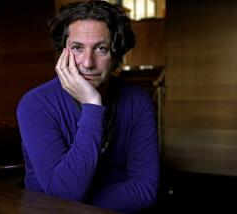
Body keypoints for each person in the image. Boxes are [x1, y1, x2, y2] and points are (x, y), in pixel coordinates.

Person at [16, 1, 160, 213]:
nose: (87, 63)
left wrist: (76, 205)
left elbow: (145, 189)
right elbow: (62, 196)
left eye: (101, 48)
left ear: (116, 54)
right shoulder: (35, 104)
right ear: (62, 52)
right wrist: (93, 106)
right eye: (77, 48)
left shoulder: (137, 101)